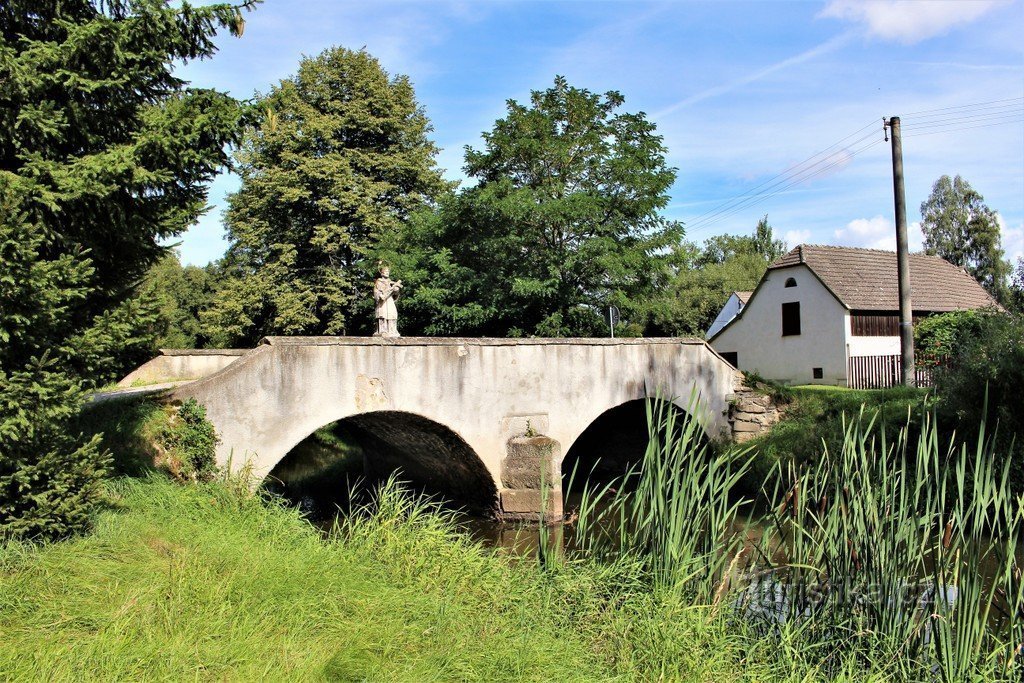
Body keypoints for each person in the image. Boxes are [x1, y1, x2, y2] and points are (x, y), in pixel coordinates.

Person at [373, 265, 402, 337]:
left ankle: (392, 331)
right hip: (382, 302)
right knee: (383, 314)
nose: (387, 273)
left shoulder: (391, 282)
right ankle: (383, 331)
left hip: (390, 300)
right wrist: (380, 295)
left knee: (392, 314)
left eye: (388, 272)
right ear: (382, 273)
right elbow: (376, 292)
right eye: (386, 272)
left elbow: (396, 294)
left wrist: (396, 291)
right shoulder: (379, 282)